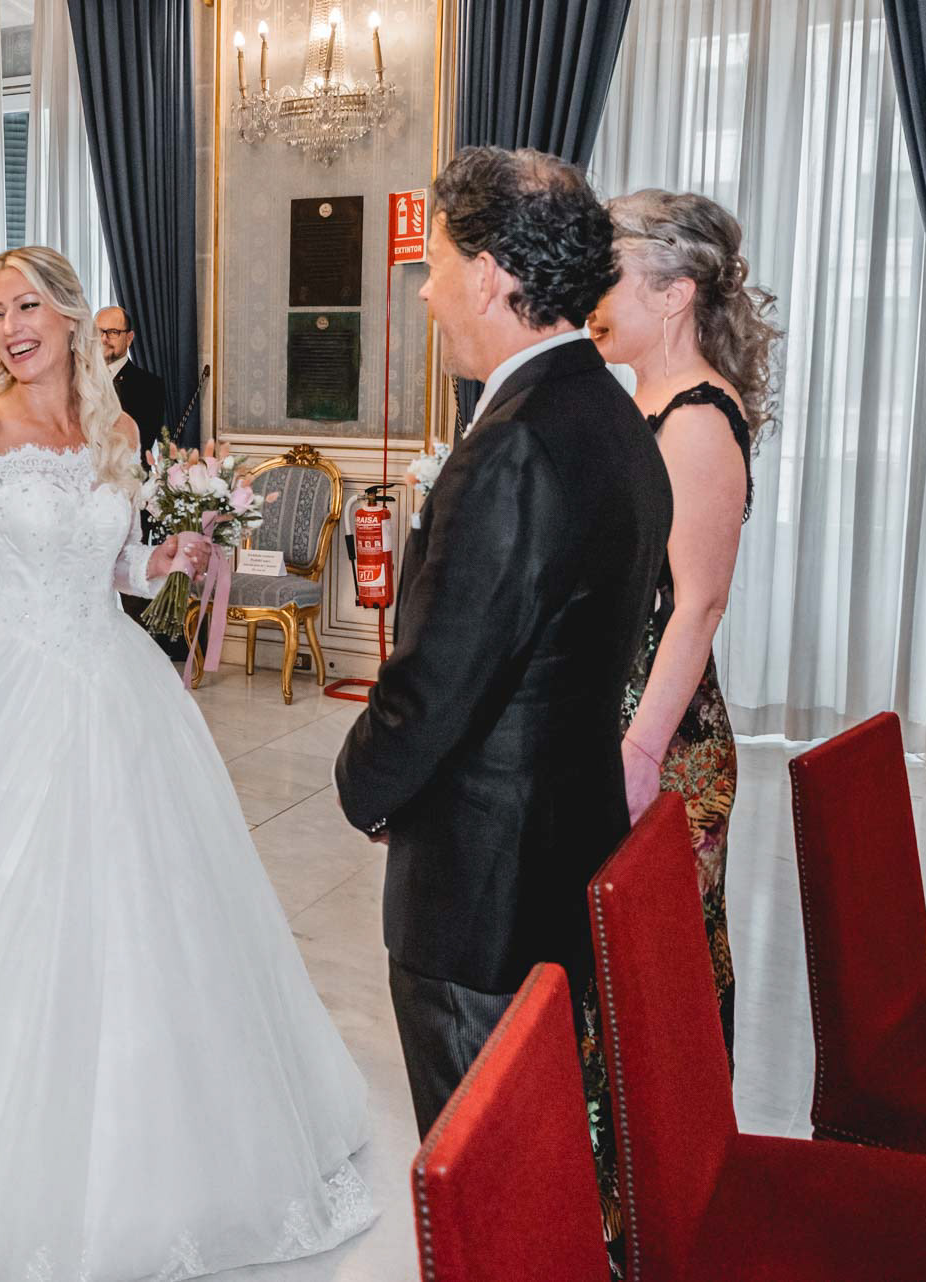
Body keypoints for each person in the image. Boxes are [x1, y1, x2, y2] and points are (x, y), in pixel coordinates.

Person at [0, 245, 378, 1278]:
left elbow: (116, 561)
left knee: (146, 917)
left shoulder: (115, 431)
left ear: (71, 316)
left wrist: (161, 558)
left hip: (113, 684)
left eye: (29, 306)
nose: (11, 327)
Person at [333, 146, 673, 1139]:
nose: (426, 291)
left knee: (482, 1162)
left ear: (486, 275)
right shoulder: (611, 413)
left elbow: (439, 682)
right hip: (562, 849)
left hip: (481, 890)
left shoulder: (516, 441)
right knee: (537, 1150)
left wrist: (365, 785)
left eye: (435, 264)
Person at [583, 187, 781, 1257]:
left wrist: (640, 751)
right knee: (611, 971)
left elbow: (696, 606)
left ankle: (662, 1213)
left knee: (655, 978)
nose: (591, 294)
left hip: (662, 743)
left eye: (608, 273)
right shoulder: (643, 402)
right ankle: (608, 1207)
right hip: (618, 726)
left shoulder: (697, 421)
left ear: (674, 291)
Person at [97, 305, 166, 463]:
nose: (103, 339)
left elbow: (140, 446)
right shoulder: (77, 379)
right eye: (98, 332)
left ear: (129, 338)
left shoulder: (150, 386)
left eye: (113, 332)